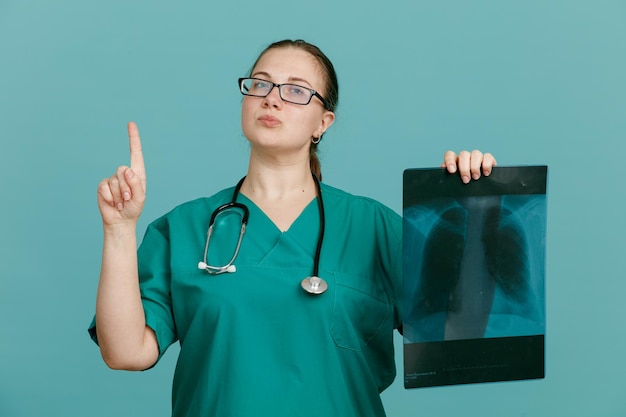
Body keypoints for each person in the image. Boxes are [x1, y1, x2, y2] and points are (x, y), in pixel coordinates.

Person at [88, 39, 496, 417]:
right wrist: (119, 229)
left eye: (296, 90)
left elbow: (460, 335)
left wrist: (474, 209)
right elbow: (124, 352)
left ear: (324, 122)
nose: (272, 99)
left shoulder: (372, 227)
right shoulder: (186, 227)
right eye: (260, 84)